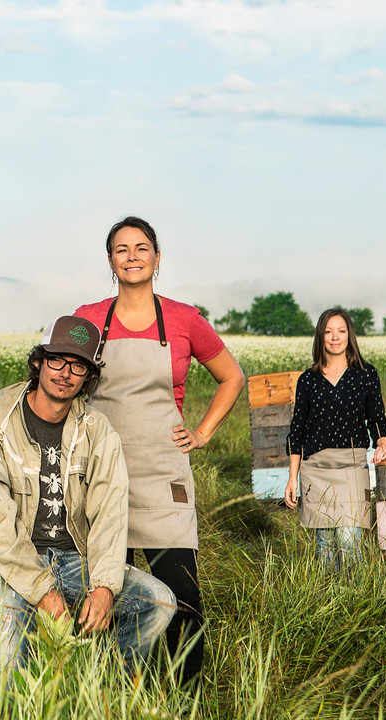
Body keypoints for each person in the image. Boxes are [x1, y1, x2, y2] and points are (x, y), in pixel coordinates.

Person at [74, 216, 244, 686]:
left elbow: (232, 378)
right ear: (110, 261)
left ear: (158, 257)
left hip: (163, 477)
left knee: (184, 598)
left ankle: (184, 697)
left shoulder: (185, 319)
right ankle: (111, 692)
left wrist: (204, 432)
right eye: (122, 249)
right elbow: (61, 379)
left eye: (141, 247)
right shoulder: (88, 318)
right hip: (103, 477)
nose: (132, 256)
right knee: (111, 595)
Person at [0, 316, 175, 681]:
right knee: (10, 642)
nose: (65, 373)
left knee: (159, 602)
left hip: (75, 560)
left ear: (88, 376)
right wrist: (43, 591)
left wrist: (104, 585)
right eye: (57, 360)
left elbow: (110, 513)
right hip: (6, 563)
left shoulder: (97, 430)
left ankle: (104, 691)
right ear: (38, 361)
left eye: (79, 365)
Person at [283, 308, 386, 570]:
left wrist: (383, 443)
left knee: (349, 541)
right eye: (328, 331)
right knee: (325, 546)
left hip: (352, 467)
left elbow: (377, 418)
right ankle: (327, 605)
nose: (335, 337)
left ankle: (355, 603)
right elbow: (297, 431)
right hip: (316, 469)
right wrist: (291, 478)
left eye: (341, 331)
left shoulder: (366, 374)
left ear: (349, 335)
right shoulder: (308, 380)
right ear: (320, 337)